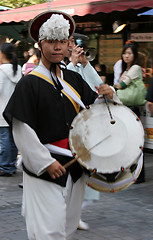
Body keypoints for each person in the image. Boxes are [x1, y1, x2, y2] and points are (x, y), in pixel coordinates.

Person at [3, 11, 115, 240]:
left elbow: (93, 112)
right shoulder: (29, 84)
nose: (57, 47)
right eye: (51, 41)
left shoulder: (73, 79)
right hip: (46, 168)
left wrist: (108, 95)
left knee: (67, 227)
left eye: (62, 42)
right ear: (40, 44)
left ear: (68, 44)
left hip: (75, 166)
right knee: (48, 231)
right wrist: (45, 162)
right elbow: (21, 128)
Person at [114, 42, 145, 183]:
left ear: (134, 55)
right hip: (126, 109)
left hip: (132, 110)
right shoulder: (126, 70)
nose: (126, 56)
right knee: (127, 142)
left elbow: (121, 85)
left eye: (129, 53)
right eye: (124, 53)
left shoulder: (135, 68)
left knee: (135, 142)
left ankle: (139, 174)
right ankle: (132, 172)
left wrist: (112, 87)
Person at [0, 42, 22, 176]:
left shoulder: (2, 71)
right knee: (13, 140)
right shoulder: (18, 69)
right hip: (15, 111)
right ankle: (10, 165)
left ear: (3, 54)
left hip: (2, 111)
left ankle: (5, 167)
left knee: (5, 140)